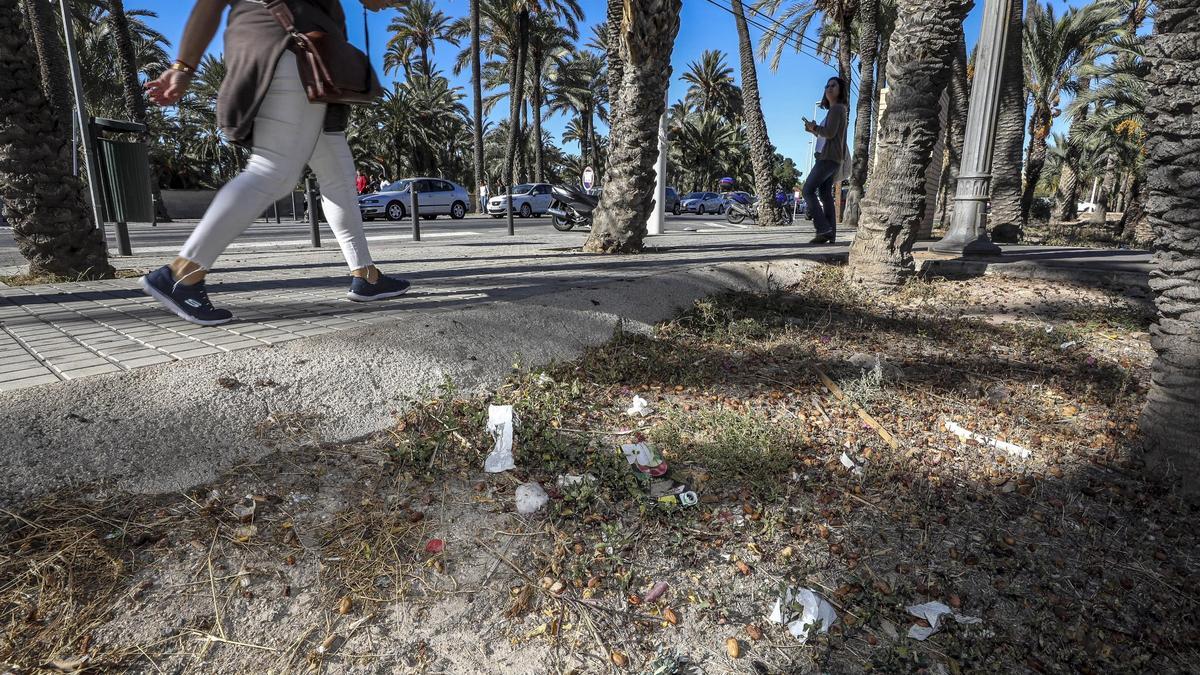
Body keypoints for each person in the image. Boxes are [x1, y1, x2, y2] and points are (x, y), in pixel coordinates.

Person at [140, 0, 408, 326]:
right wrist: (182, 68)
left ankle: (366, 275)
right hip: (288, 49)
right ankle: (182, 274)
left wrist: (183, 68)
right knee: (273, 169)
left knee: (337, 172)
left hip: (300, 59)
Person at [802, 76, 850, 245]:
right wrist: (813, 131)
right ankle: (831, 234)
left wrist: (815, 128)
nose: (829, 88)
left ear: (840, 90)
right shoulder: (836, 110)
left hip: (828, 158)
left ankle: (823, 228)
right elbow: (828, 136)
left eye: (833, 85)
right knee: (825, 195)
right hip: (830, 157)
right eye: (827, 85)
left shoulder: (837, 109)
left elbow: (829, 133)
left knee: (807, 190)